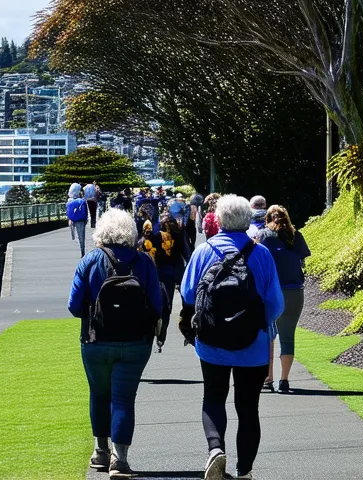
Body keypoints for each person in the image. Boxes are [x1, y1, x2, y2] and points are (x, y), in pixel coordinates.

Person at [179, 195, 283, 480]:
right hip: (253, 344)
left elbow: (188, 295)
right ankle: (245, 471)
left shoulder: (204, 251)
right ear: (248, 219)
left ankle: (215, 449)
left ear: (219, 220)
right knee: (248, 407)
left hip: (212, 342)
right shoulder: (261, 254)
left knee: (213, 396)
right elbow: (276, 304)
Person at [68, 209, 164, 478]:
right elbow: (157, 304)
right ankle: (119, 459)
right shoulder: (143, 262)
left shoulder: (90, 260)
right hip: (136, 342)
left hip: (96, 340)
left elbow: (74, 306)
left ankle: (100, 452)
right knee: (123, 398)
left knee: (99, 394)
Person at [255, 205, 311, 393]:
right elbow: (304, 260)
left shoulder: (263, 235)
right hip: (295, 291)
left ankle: (267, 378)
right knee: (287, 337)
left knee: (268, 336)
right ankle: (284, 380)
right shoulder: (296, 235)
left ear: (268, 218)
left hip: (271, 291)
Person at [143, 213, 190, 352]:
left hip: (155, 272)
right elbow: (186, 252)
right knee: (167, 306)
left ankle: (154, 330)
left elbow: (145, 247)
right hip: (172, 273)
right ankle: (162, 334)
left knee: (153, 302)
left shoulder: (155, 235)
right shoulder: (179, 234)